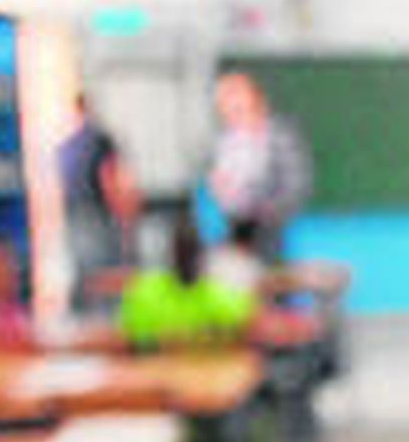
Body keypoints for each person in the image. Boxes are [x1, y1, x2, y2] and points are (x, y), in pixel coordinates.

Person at [209, 72, 313, 263]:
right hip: (233, 231)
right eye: (224, 104)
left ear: (257, 102)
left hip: (269, 232)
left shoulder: (281, 136)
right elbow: (222, 190)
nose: (230, 110)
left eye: (237, 102)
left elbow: (297, 186)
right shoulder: (224, 141)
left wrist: (263, 212)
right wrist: (220, 190)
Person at [118, 213, 256, 348]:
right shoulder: (145, 294)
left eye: (192, 252)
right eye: (182, 252)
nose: (188, 260)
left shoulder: (222, 296)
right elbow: (126, 340)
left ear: (202, 256)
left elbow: (252, 327)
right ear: (172, 254)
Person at [52, 95, 139, 297]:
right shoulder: (100, 140)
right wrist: (124, 215)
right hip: (97, 216)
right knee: (109, 275)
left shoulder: (65, 147)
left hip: (73, 218)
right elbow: (108, 177)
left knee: (86, 276)